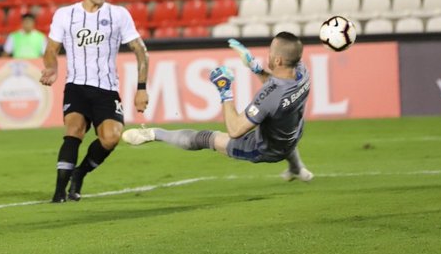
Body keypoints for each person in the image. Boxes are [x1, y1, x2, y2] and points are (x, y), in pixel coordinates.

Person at [123, 33, 314, 182]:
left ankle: (154, 134)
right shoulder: (302, 72)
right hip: (293, 134)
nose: (268, 55)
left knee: (206, 138)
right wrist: (255, 68)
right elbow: (278, 85)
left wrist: (225, 90)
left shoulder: (270, 96)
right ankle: (297, 169)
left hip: (264, 148)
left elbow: (235, 129)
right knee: (284, 135)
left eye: (271, 52)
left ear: (278, 60)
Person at [41, 0, 149, 203]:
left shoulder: (118, 14)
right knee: (74, 130)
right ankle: (59, 192)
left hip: (106, 89)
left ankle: (79, 174)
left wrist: (141, 88)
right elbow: (51, 49)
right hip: (76, 87)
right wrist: (52, 67)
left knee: (111, 137)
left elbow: (141, 51)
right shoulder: (64, 15)